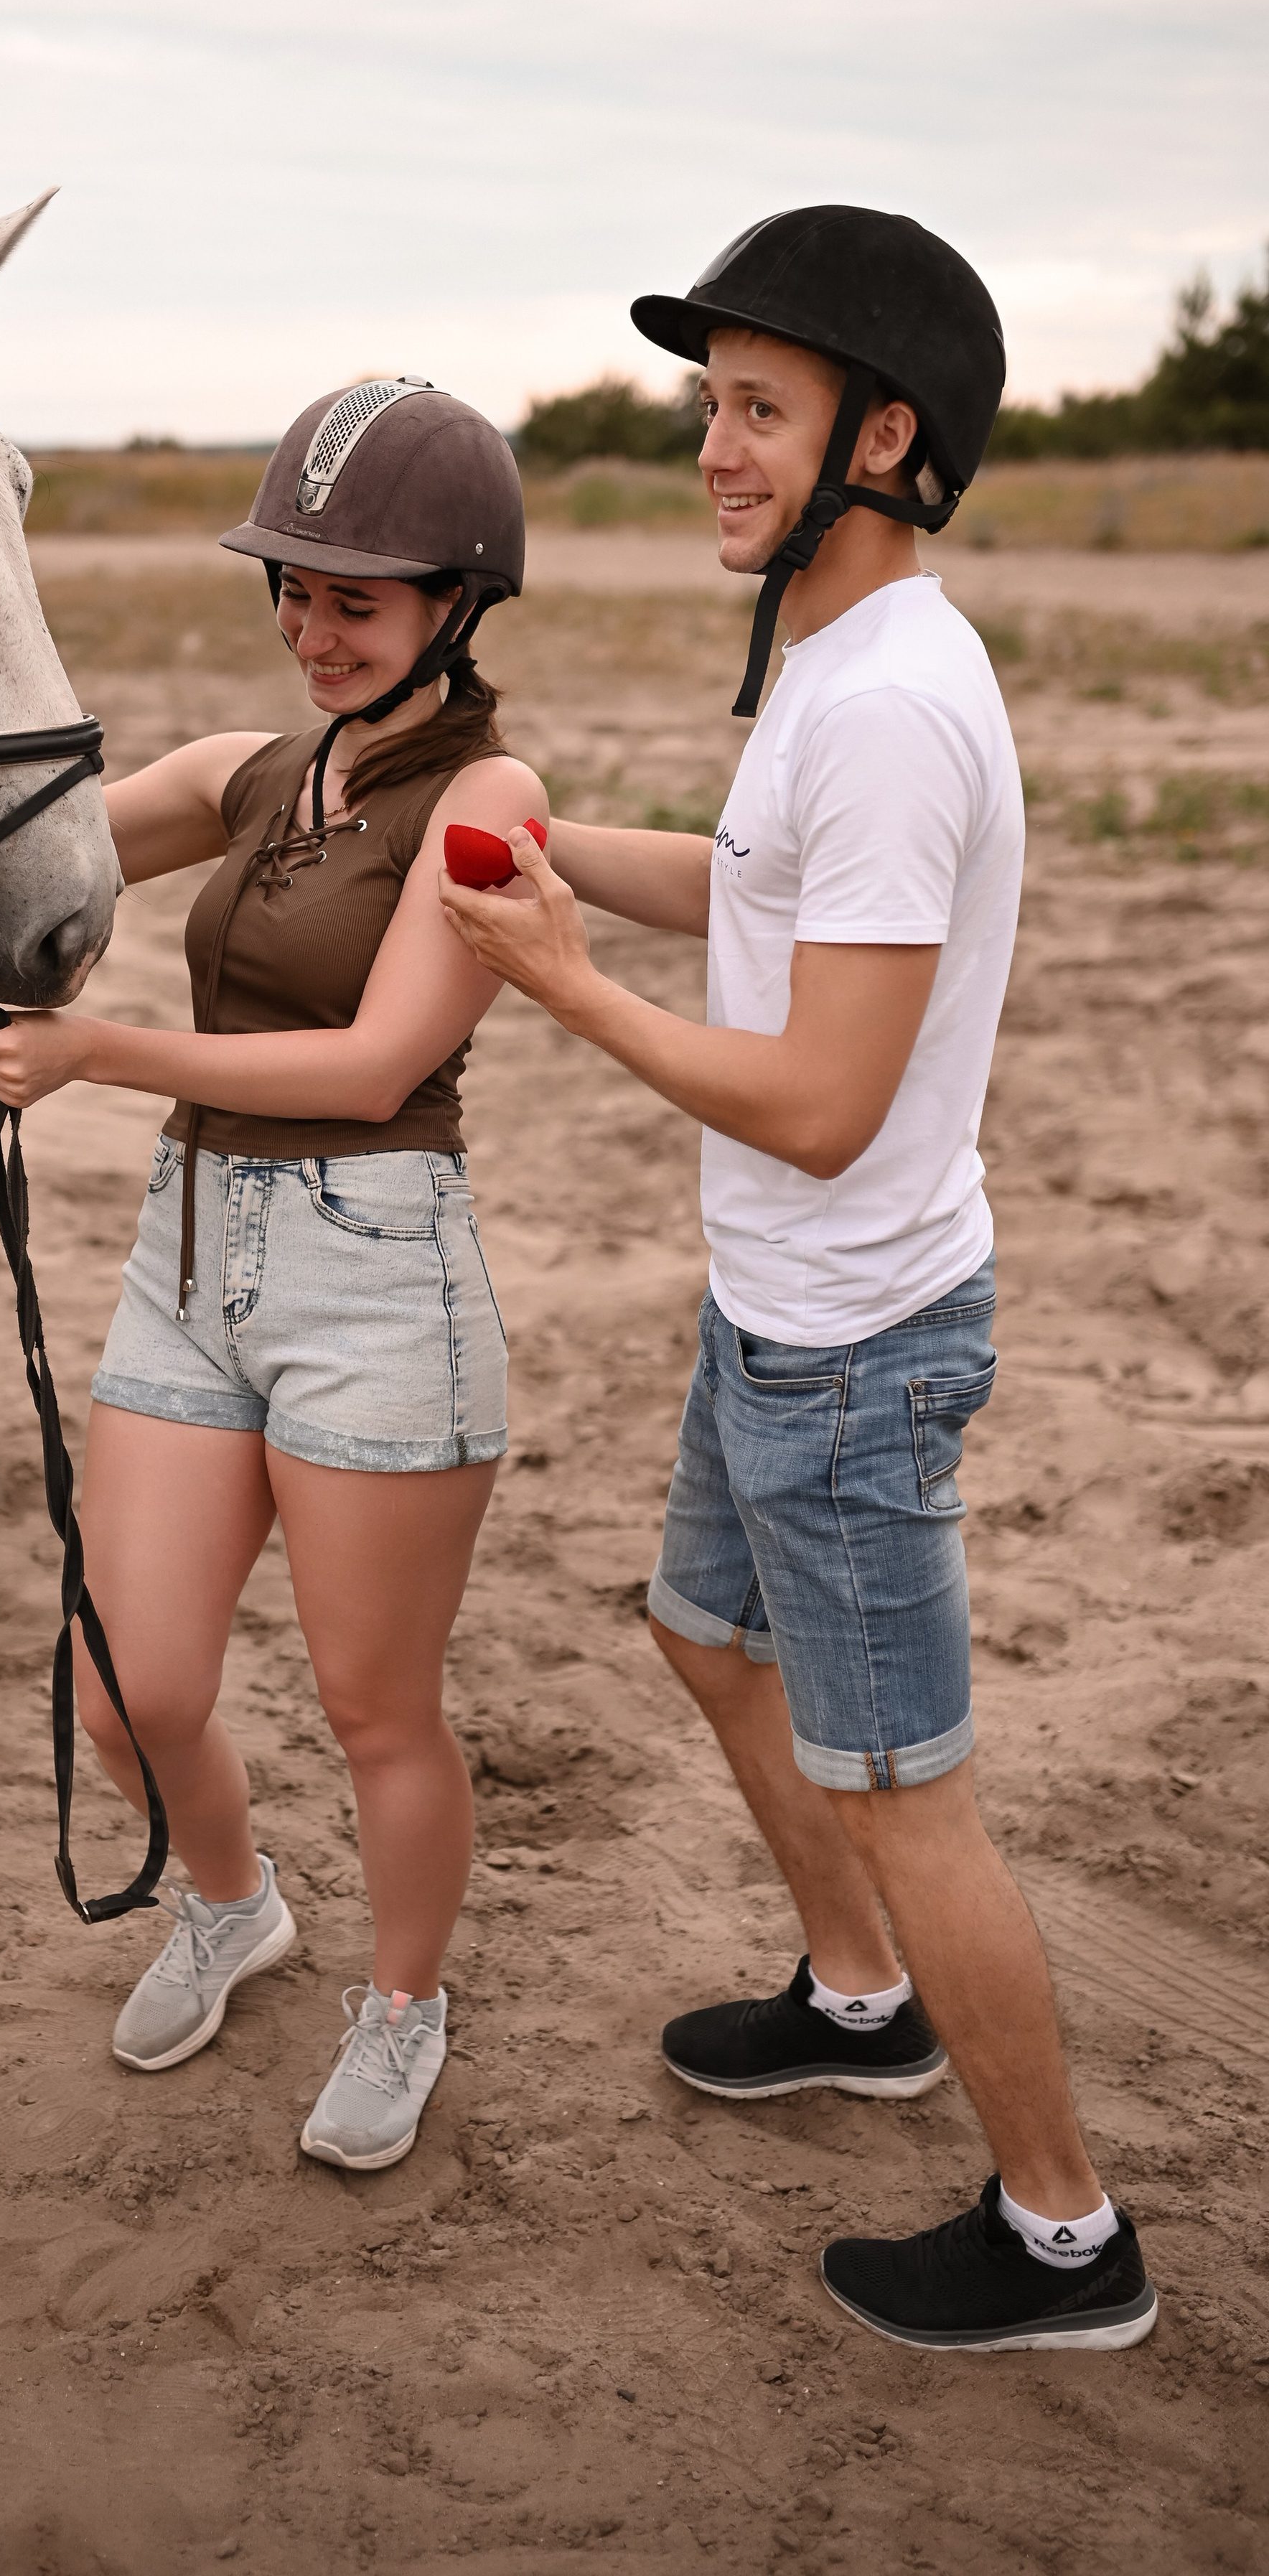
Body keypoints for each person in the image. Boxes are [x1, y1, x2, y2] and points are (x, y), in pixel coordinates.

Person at [438, 210, 1156, 2351]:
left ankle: (1065, 2237)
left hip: (853, 1343)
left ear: (887, 438)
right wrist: (552, 856)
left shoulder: (895, 707)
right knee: (697, 1633)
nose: (713, 450)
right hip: (777, 1308)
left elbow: (828, 1103)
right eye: (709, 405)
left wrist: (563, 983)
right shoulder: (835, 669)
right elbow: (754, 884)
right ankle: (862, 2003)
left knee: (908, 1795)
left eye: (758, 408)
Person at [0, 381, 543, 2170]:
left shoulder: (486, 797)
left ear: (458, 600)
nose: (309, 627)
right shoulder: (254, 773)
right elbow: (11, 840)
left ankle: (403, 2001)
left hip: (375, 1274)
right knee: (126, 1687)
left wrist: (94, 1051)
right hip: (192, 1255)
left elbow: (373, 1066)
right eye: (290, 587)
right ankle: (233, 1904)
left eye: (353, 599)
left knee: (374, 1710)